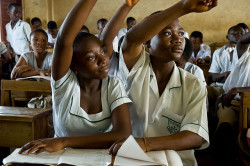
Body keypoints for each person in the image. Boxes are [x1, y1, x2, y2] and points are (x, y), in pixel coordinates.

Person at [18, 0, 139, 155]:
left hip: (101, 158)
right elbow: (63, 40)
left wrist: (65, 141)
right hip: (62, 157)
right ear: (75, 66)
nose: (103, 60)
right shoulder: (64, 83)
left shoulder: (113, 85)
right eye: (90, 58)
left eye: (102, 52)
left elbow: (123, 134)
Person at [109, 0, 218, 165]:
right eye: (167, 33)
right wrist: (185, 7)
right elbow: (131, 40)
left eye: (181, 33)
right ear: (147, 42)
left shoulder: (193, 84)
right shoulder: (135, 69)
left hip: (176, 162)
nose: (177, 39)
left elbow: (195, 136)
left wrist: (146, 144)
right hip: (133, 159)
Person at [214, 31, 250, 166]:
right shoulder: (244, 54)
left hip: (246, 101)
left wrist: (238, 89)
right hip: (233, 102)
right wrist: (235, 91)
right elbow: (242, 42)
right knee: (226, 125)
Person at [207, 25, 245, 115]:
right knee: (203, 91)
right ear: (227, 37)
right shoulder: (218, 52)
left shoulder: (246, 53)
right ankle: (206, 119)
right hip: (218, 86)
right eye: (234, 33)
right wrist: (224, 74)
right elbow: (214, 77)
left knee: (223, 101)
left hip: (235, 88)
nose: (238, 35)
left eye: (241, 34)